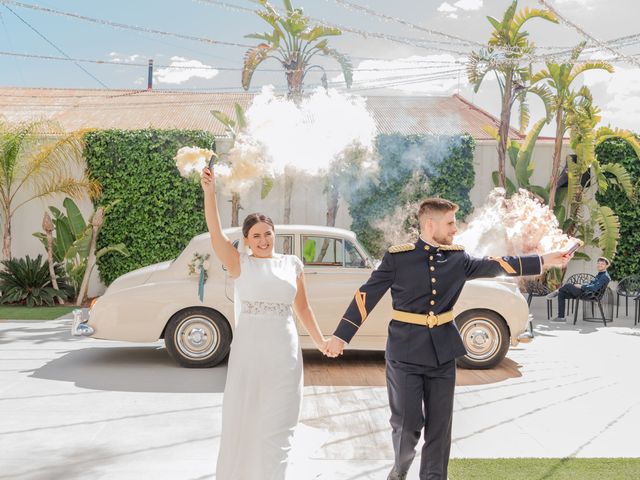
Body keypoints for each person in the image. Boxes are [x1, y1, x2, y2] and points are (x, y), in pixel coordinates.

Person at [324, 197, 571, 480]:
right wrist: (341, 336)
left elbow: (497, 264)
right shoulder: (398, 257)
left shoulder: (457, 258)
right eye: (450, 223)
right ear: (431, 224)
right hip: (405, 353)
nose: (455, 229)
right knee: (407, 425)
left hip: (443, 352)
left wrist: (546, 259)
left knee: (440, 427)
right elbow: (366, 295)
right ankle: (400, 468)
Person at [200, 166, 329, 480]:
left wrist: (322, 341)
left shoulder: (291, 264)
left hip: (284, 354)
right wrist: (209, 192)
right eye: (256, 235)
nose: (263, 239)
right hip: (249, 357)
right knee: (247, 422)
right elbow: (216, 234)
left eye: (267, 233)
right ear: (246, 240)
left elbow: (304, 308)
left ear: (275, 234)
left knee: (279, 426)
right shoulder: (239, 264)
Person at [548, 256, 611, 322]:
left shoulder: (604, 276)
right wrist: (582, 285)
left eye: (602, 264)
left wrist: (581, 286)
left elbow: (594, 288)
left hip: (590, 294)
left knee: (568, 285)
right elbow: (592, 285)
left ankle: (557, 291)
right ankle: (561, 317)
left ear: (606, 266)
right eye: (598, 263)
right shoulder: (601, 274)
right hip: (586, 292)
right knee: (562, 294)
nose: (599, 265)